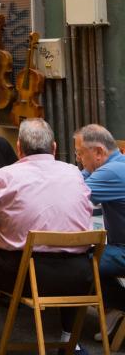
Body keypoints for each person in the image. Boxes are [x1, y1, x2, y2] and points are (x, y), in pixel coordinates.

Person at [0, 118, 93, 355]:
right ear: (54, 147)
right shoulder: (74, 173)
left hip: (28, 279)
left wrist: (1, 215)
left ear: (19, 148)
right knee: (67, 259)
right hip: (81, 277)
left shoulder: (7, 175)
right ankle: (70, 340)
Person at [74, 124, 125, 330]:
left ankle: (118, 305)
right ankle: (113, 308)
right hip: (119, 246)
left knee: (74, 262)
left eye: (80, 153)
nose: (78, 159)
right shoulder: (119, 164)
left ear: (98, 152)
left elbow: (69, 194)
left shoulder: (111, 172)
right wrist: (87, 168)